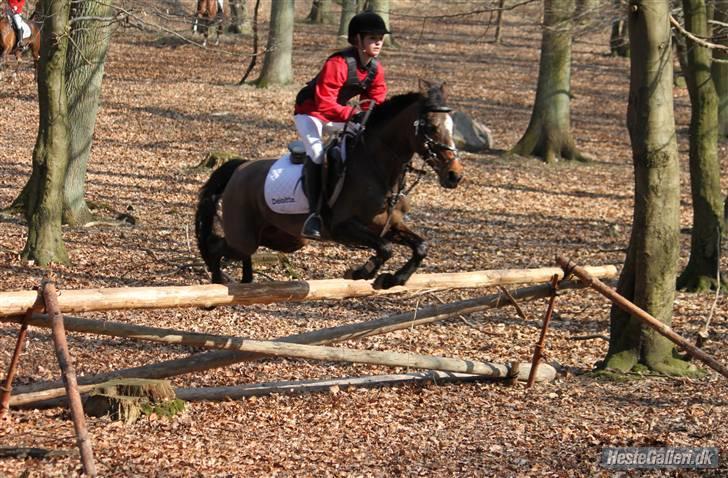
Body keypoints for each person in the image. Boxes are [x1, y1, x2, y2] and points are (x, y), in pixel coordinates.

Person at [293, 11, 390, 240]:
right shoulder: (337, 63)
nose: (378, 42)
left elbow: (377, 100)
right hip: (310, 113)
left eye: (380, 38)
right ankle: (314, 215)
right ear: (357, 40)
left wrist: (373, 119)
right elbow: (324, 103)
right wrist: (353, 114)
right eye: (372, 38)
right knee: (317, 153)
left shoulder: (375, 69)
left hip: (336, 115)